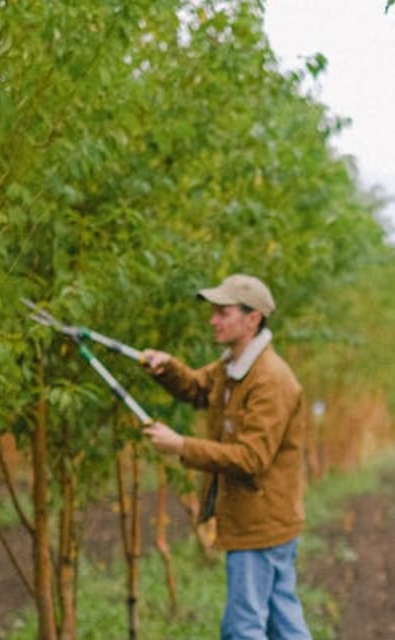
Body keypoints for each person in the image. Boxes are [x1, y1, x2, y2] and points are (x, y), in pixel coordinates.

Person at [140, 273, 312, 640]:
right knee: (283, 624)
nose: (213, 320)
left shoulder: (270, 379)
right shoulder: (232, 368)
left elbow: (251, 458)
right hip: (261, 519)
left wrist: (181, 446)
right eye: (213, 312)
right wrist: (166, 366)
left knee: (242, 629)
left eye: (223, 312)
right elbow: (198, 387)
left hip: (260, 524)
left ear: (253, 319)